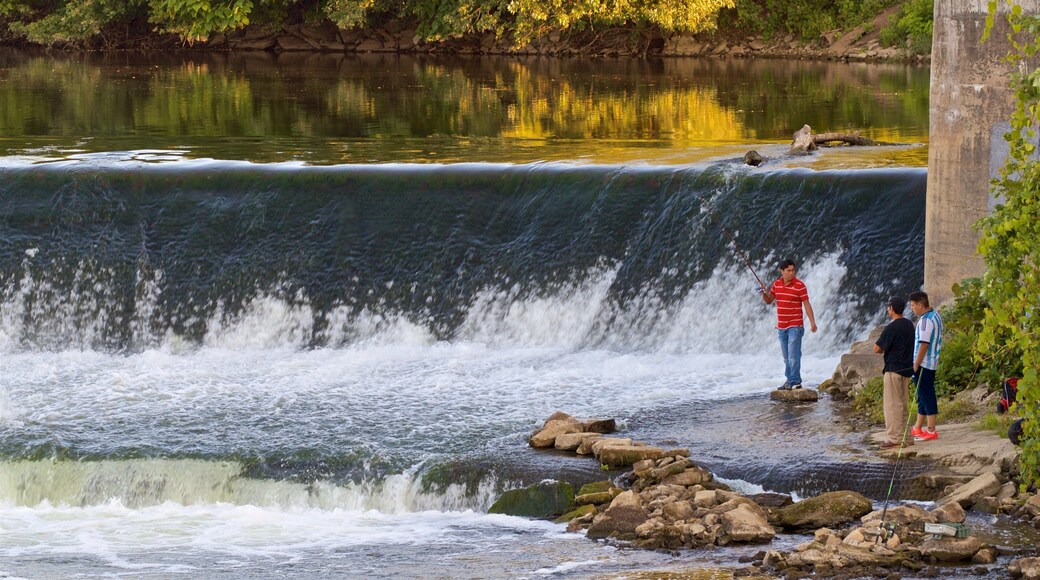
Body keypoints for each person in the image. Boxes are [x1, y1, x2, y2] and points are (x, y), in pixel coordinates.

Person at [761, 259, 818, 390]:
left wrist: (812, 322)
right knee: (786, 357)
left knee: (793, 355)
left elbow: (807, 304)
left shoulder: (800, 285)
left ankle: (795, 381)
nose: (792, 273)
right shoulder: (776, 285)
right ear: (782, 271)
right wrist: (763, 293)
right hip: (781, 327)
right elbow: (769, 300)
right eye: (789, 271)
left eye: (793, 270)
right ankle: (789, 380)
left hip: (795, 326)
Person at [873, 296, 915, 449]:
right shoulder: (909, 324)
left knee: (892, 405)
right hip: (906, 369)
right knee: (903, 404)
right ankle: (906, 436)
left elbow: (877, 348)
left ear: (891, 308)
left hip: (893, 370)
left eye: (888, 307)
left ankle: (894, 438)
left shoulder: (892, 327)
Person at [909, 291, 943, 441]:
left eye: (913, 305)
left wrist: (916, 364)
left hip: (923, 364)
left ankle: (931, 430)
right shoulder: (935, 315)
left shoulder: (925, 321)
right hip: (931, 362)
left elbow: (924, 344)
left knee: (927, 396)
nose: (912, 308)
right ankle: (918, 427)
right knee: (922, 395)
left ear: (920, 305)